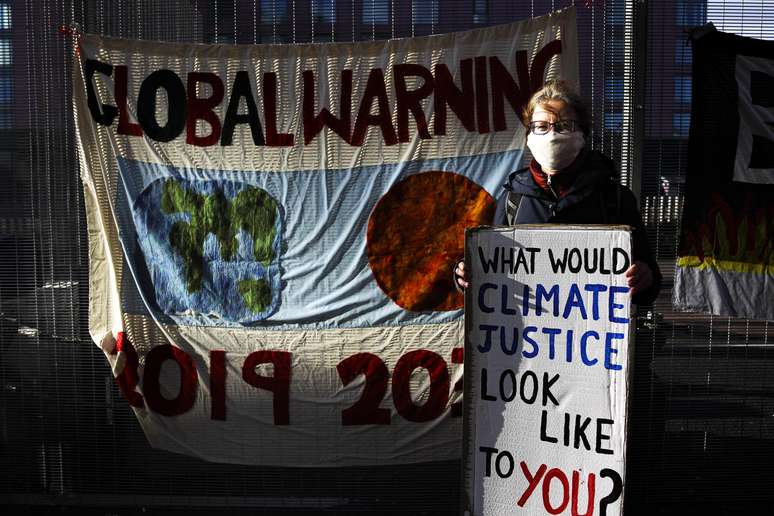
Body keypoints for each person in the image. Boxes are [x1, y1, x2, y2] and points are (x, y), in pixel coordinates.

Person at [454, 80, 661, 305]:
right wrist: (464, 274)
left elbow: (650, 284)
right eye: (541, 126)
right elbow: (489, 268)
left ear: (582, 133)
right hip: (527, 336)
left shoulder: (615, 198)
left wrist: (644, 277)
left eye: (564, 125)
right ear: (529, 135)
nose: (552, 135)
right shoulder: (512, 199)